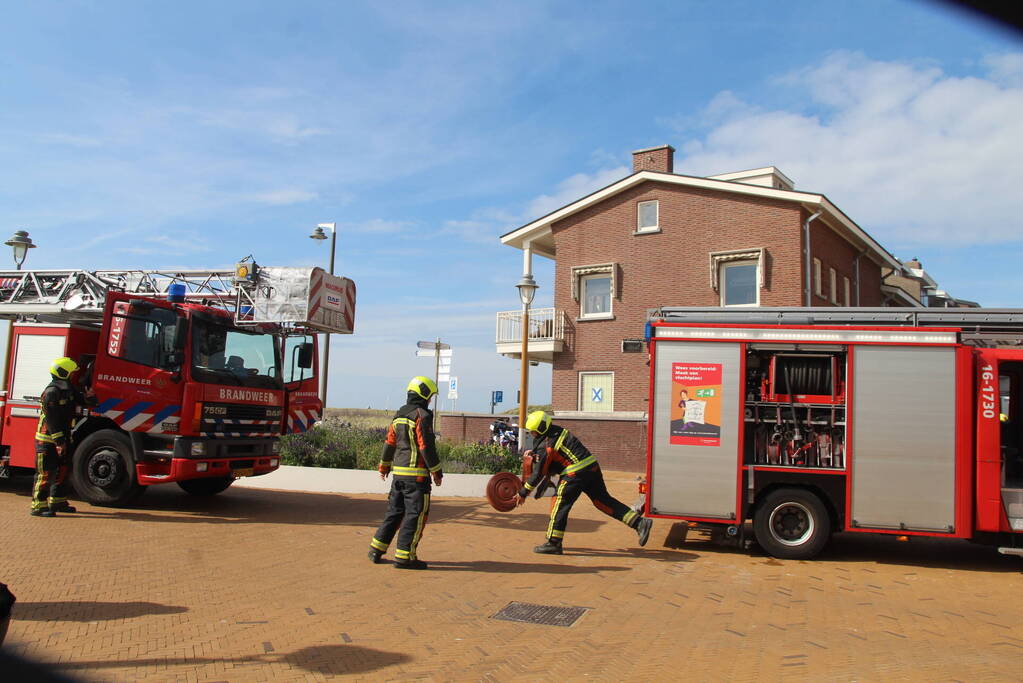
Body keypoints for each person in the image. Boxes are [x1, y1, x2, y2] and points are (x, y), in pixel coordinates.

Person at [517, 410, 653, 554]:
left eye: (533, 432)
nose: (532, 435)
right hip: (591, 467)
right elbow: (555, 459)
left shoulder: (547, 444)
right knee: (603, 501)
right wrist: (537, 457)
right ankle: (640, 523)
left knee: (559, 503)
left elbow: (539, 473)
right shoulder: (558, 431)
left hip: (574, 473)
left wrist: (523, 492)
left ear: (540, 430)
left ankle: (554, 543)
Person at [368, 376, 444, 570]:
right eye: (430, 396)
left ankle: (376, 549)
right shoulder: (421, 416)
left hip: (398, 477)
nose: (430, 401)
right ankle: (404, 556)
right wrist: (436, 471)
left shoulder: (399, 415)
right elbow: (426, 446)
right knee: (415, 515)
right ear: (424, 394)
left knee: (394, 512)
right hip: (417, 478)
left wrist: (384, 467)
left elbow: (389, 443)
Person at [30, 357, 91, 517]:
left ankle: (57, 501)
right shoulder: (51, 392)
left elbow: (82, 400)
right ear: (64, 373)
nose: (73, 376)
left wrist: (89, 395)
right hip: (48, 440)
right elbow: (52, 420)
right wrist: (59, 442)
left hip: (64, 438)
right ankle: (38, 506)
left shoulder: (68, 389)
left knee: (62, 470)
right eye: (71, 373)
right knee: (45, 473)